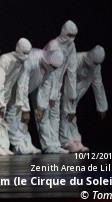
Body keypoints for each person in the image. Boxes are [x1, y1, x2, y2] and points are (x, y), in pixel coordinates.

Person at [9, 48, 63, 154]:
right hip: (13, 89)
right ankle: (18, 145)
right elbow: (22, 84)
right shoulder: (32, 59)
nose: (53, 70)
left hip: (26, 90)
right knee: (12, 116)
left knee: (26, 119)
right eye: (52, 67)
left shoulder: (50, 67)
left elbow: (46, 86)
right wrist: (25, 109)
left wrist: (41, 107)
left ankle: (27, 144)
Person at [0, 38, 31, 156]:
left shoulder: (22, 63)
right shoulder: (6, 59)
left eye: (28, 53)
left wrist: (20, 102)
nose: (26, 56)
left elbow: (21, 84)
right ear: (19, 50)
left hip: (5, 95)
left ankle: (3, 145)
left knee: (1, 120)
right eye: (24, 53)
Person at [59, 45, 106, 153]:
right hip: (65, 88)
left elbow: (98, 84)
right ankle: (66, 142)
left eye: (97, 64)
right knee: (65, 113)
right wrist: (70, 106)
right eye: (94, 63)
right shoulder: (76, 59)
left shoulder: (96, 67)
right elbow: (69, 81)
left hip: (78, 90)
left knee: (71, 115)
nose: (94, 65)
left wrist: (102, 107)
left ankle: (76, 140)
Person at [42, 20, 77, 154]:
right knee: (45, 114)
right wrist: (52, 93)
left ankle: (55, 144)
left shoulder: (71, 46)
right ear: (63, 31)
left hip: (57, 85)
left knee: (55, 115)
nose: (71, 39)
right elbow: (52, 72)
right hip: (45, 84)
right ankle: (47, 145)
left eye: (74, 36)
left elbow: (72, 71)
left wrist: (72, 94)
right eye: (69, 35)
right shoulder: (53, 45)